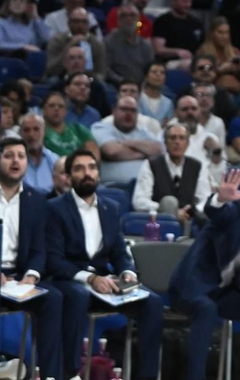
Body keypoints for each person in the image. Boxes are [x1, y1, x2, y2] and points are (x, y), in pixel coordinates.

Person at [46, 150, 165, 380]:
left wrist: (127, 272)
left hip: (105, 281)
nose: (87, 173)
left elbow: (119, 251)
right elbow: (54, 259)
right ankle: (71, 372)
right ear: (69, 177)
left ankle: (148, 375)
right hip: (71, 278)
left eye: (91, 167)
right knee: (78, 295)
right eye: (79, 168)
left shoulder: (111, 208)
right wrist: (91, 279)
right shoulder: (55, 208)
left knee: (153, 302)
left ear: (98, 174)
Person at [167, 167, 240, 380]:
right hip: (191, 286)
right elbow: (216, 212)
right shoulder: (236, 210)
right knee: (206, 309)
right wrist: (219, 199)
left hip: (224, 293)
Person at [0, 135, 64, 378]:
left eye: (21, 156)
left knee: (53, 298)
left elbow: (39, 248)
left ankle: (50, 374)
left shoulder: (36, 200)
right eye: (8, 156)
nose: (16, 161)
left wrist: (32, 275)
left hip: (20, 278)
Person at [133, 121, 210, 221]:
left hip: (189, 219)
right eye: (173, 138)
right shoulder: (150, 164)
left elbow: (205, 199)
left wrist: (192, 211)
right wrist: (168, 210)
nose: (177, 142)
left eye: (182, 138)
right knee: (169, 202)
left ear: (187, 143)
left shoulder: (198, 166)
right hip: (160, 220)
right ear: (165, 142)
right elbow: (139, 201)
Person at [92, 94, 164, 185]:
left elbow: (158, 150)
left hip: (144, 185)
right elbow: (112, 151)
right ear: (114, 111)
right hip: (112, 186)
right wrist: (144, 153)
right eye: (124, 109)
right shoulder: (101, 128)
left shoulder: (142, 131)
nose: (128, 114)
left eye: (133, 110)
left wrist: (126, 143)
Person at [152, 0, 201, 68]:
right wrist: (177, 52)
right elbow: (158, 49)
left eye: (190, 1)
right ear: (174, 1)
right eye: (184, 1)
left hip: (194, 61)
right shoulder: (162, 21)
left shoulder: (196, 23)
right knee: (189, 64)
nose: (188, 5)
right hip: (168, 63)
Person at [18, 112, 59, 193]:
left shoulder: (55, 160)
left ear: (44, 131)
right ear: (20, 133)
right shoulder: (15, 162)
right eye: (26, 130)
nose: (31, 134)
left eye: (36, 129)